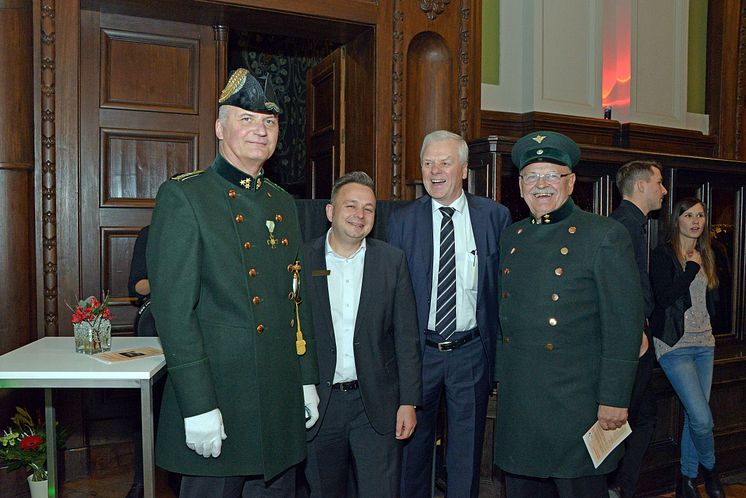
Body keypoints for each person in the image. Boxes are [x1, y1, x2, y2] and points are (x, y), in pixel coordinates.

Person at [147, 67, 320, 498]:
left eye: (269, 121)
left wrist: (306, 377)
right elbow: (173, 313)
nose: (260, 130)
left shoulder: (281, 201)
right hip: (221, 400)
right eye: (246, 118)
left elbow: (297, 300)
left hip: (277, 401)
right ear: (220, 128)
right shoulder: (185, 196)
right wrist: (199, 404)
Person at [494, 131, 644, 497]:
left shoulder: (603, 235)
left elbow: (624, 326)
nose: (541, 185)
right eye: (532, 176)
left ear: (571, 181)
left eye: (552, 175)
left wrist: (615, 398)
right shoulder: (512, 237)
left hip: (578, 406)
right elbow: (506, 320)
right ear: (520, 185)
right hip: (522, 402)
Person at [387, 130, 511, 498]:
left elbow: (503, 292)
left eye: (444, 162)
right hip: (418, 355)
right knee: (412, 451)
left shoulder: (494, 217)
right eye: (428, 163)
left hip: (470, 353)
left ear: (463, 169)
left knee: (465, 454)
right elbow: (390, 295)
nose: (435, 171)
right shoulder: (401, 220)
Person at [303, 171, 422, 497]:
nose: (360, 215)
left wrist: (408, 401)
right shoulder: (300, 260)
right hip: (319, 405)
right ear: (330, 211)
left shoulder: (391, 261)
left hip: (376, 405)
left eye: (368, 208)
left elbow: (406, 336)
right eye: (351, 206)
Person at [649, 197, 725, 498]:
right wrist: (690, 269)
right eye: (689, 215)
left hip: (705, 343)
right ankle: (712, 470)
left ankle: (687, 481)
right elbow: (664, 297)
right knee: (703, 418)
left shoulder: (708, 253)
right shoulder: (663, 255)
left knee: (697, 417)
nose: (696, 221)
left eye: (701, 215)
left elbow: (714, 301)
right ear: (676, 220)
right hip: (674, 345)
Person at [608, 160, 667, 497]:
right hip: (633, 342)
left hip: (639, 337)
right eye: (659, 182)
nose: (664, 190)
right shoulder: (621, 227)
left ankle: (620, 487)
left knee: (644, 417)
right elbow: (619, 291)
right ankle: (606, 485)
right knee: (619, 417)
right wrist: (635, 335)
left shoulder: (635, 225)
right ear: (641, 185)